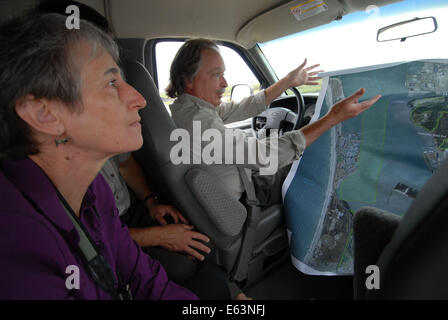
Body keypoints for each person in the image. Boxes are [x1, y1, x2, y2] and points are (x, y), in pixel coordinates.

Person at [0, 12, 229, 300]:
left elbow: (143, 276)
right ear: (44, 114)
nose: (140, 99)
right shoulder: (17, 255)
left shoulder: (93, 190)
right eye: (111, 83)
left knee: (218, 288)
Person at [167, 38, 381, 206]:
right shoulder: (198, 120)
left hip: (240, 180)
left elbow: (244, 107)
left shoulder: (189, 109)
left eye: (223, 74)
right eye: (216, 75)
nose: (224, 83)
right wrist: (332, 117)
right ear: (188, 80)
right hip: (247, 194)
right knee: (311, 167)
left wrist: (287, 81)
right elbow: (265, 156)